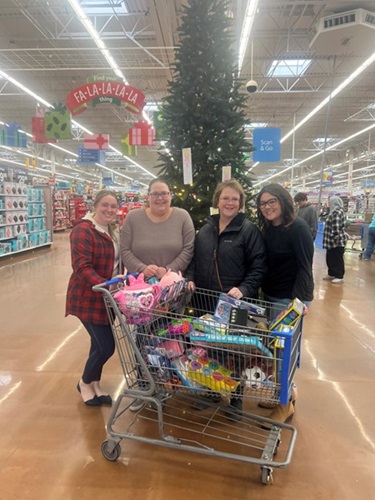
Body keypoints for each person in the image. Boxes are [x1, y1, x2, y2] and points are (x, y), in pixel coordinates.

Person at [185, 178, 267, 415]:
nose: (229, 202)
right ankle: (211, 391)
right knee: (210, 348)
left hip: (237, 304)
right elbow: (194, 261)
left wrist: (244, 289)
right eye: (225, 198)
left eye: (234, 198)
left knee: (237, 351)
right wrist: (190, 278)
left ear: (240, 203)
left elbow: (259, 267)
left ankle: (236, 398)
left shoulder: (248, 230)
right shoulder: (206, 230)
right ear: (217, 201)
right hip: (206, 300)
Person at [120, 178, 195, 410]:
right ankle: (144, 385)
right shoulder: (133, 218)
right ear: (148, 197)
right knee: (142, 337)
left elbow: (188, 248)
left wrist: (168, 271)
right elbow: (125, 250)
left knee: (171, 338)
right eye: (155, 194)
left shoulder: (182, 216)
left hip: (172, 292)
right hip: (142, 294)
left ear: (171, 195)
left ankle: (167, 384)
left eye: (164, 193)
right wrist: (143, 269)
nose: (160, 198)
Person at [256, 183, 314, 424]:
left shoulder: (297, 228)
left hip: (288, 300)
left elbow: (305, 266)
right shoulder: (269, 227)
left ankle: (285, 405)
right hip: (270, 295)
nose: (267, 207)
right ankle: (283, 394)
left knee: (284, 353)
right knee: (275, 351)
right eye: (263, 203)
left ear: (283, 201)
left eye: (272, 201)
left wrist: (300, 302)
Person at [66, 190, 122, 407]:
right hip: (88, 297)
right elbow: (81, 266)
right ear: (95, 206)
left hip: (108, 299)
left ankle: (95, 384)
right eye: (104, 205)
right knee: (105, 347)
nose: (109, 210)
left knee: (97, 344)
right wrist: (105, 285)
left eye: (113, 206)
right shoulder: (83, 230)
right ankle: (84, 382)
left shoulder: (112, 230)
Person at [322, 196, 348, 284]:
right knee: (330, 258)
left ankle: (339, 276)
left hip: (336, 242)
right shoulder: (334, 212)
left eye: (330, 202)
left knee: (337, 259)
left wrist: (335, 239)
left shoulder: (336, 213)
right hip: (331, 242)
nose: (329, 204)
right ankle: (331, 274)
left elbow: (336, 228)